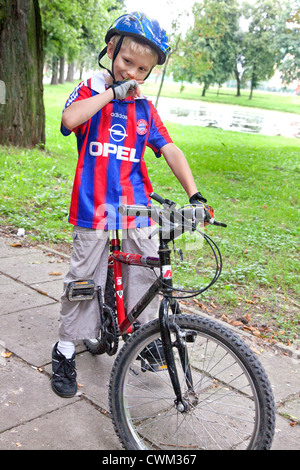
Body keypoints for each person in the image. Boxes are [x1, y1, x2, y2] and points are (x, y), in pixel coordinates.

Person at [51, 12, 207, 398]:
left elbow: (169, 148)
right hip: (95, 206)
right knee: (83, 281)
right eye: (126, 63)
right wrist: (110, 94)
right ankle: (66, 348)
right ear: (110, 50)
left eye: (142, 69)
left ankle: (142, 334)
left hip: (134, 206)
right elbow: (69, 119)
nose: (132, 74)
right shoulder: (90, 90)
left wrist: (194, 194)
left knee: (149, 267)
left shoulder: (144, 109)